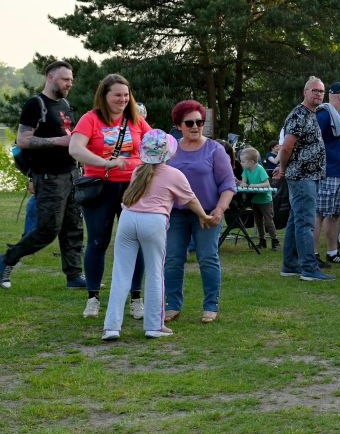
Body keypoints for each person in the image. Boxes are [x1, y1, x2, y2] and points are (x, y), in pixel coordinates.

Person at [100, 130, 216, 341]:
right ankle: (154, 326)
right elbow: (191, 200)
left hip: (128, 218)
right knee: (155, 273)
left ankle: (111, 327)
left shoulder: (138, 170)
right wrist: (204, 216)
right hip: (153, 221)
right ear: (169, 152)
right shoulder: (174, 174)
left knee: (121, 274)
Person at [68, 73, 152, 318]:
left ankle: (136, 298)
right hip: (100, 188)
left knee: (136, 241)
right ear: (104, 96)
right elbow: (75, 149)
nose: (123, 99)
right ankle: (93, 298)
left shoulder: (136, 120)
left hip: (132, 188)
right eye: (117, 95)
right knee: (97, 241)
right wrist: (105, 163)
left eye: (126, 95)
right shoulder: (90, 119)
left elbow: (156, 144)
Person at [1, 60, 85, 292]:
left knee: (73, 227)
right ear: (50, 77)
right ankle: (7, 259)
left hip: (71, 174)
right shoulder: (35, 104)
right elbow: (23, 140)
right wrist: (59, 141)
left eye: (71, 80)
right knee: (47, 230)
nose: (70, 83)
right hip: (49, 177)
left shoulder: (64, 104)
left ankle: (74, 276)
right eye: (65, 79)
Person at [162, 101, 235, 324]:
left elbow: (228, 184)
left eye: (200, 122)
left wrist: (220, 210)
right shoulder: (170, 150)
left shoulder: (215, 149)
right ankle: (172, 305)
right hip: (176, 214)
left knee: (207, 257)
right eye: (189, 123)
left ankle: (211, 305)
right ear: (178, 125)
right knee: (172, 258)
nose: (195, 126)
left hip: (208, 214)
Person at [274, 77, 332, 281]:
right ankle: (309, 268)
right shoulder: (299, 114)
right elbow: (287, 147)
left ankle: (290, 265)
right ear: (305, 92)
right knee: (306, 222)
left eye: (321, 91)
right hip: (302, 177)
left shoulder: (311, 114)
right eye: (314, 90)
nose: (318, 94)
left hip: (308, 176)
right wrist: (282, 168)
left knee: (295, 220)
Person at [316, 81, 340, 266]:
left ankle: (332, 252)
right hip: (328, 173)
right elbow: (313, 141)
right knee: (319, 214)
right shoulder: (323, 115)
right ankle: (313, 255)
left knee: (336, 214)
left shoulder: (339, 114)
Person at [239, 146, 277, 250]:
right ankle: (262, 241)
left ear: (251, 162)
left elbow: (267, 184)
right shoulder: (246, 170)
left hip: (265, 200)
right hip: (255, 200)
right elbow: (243, 182)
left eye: (243, 161)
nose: (241, 163)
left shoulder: (260, 169)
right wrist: (243, 184)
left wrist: (255, 185)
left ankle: (275, 241)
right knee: (258, 221)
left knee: (268, 221)